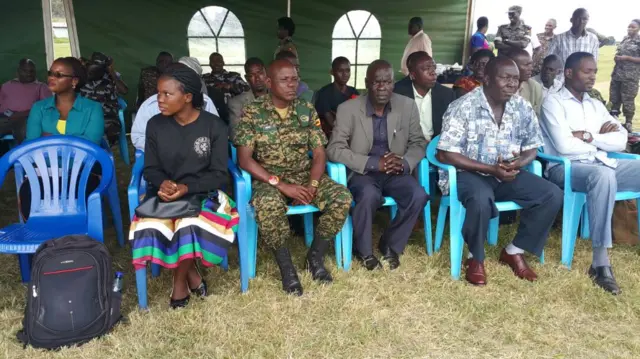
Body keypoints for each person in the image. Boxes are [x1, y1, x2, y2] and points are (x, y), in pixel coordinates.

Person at [436, 57, 563, 286]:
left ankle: (514, 250)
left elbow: (532, 146)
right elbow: (445, 154)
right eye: (505, 78)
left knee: (552, 194)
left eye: (515, 78)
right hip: (467, 174)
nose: (512, 84)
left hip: (505, 173)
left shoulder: (521, 106)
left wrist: (519, 163)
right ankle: (475, 257)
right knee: (480, 198)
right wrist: (490, 169)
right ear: (486, 78)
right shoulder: (463, 106)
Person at [234, 60, 352, 295]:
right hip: (270, 179)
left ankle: (315, 257)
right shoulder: (253, 112)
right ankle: (286, 267)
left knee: (342, 197)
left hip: (305, 176)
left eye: (294, 79)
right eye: (284, 80)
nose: (291, 85)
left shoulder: (306, 109)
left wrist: (312, 185)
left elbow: (319, 153)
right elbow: (245, 160)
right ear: (269, 83)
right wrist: (283, 186)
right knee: (267, 205)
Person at [129, 64, 234, 309]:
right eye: (158, 93)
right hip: (165, 195)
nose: (159, 100)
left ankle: (179, 282)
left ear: (187, 97)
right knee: (154, 223)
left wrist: (187, 187)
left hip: (204, 194)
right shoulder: (155, 125)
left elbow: (220, 175)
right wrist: (162, 183)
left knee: (188, 223)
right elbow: (151, 168)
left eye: (167, 94)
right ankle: (192, 275)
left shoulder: (214, 126)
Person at [540, 52, 640, 296]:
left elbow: (621, 139)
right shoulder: (553, 102)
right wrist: (601, 141)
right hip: (564, 169)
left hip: (600, 161)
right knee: (602, 175)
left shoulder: (595, 104)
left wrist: (588, 136)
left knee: (615, 170)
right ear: (569, 73)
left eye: (594, 71)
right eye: (587, 71)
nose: (593, 76)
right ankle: (600, 263)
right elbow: (563, 147)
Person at [327, 60, 428, 270]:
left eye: (387, 82)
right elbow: (334, 149)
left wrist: (405, 163)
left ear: (393, 83)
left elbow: (418, 143)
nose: (382, 87)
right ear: (366, 83)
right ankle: (363, 251)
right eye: (376, 82)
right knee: (368, 196)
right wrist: (374, 163)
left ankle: (390, 243)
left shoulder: (407, 106)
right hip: (363, 171)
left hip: (395, 171)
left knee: (418, 195)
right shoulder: (348, 109)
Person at [22, 57, 104, 220]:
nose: (51, 78)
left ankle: (73, 240)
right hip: (43, 174)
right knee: (31, 201)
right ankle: (44, 241)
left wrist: (50, 141)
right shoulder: (39, 108)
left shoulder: (92, 109)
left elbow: (89, 146)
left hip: (82, 173)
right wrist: (73, 141)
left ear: (74, 81)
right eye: (50, 73)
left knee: (80, 209)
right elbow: (32, 145)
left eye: (58, 75)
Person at [131, 60, 220, 152]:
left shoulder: (205, 102)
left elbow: (215, 134)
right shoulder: (150, 106)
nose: (160, 99)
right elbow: (138, 137)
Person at [394, 51, 456, 141]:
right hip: (407, 145)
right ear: (413, 75)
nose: (433, 73)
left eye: (434, 68)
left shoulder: (447, 95)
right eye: (427, 69)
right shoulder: (397, 93)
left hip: (436, 146)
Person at [0, 59, 52, 143]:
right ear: (18, 71)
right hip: (4, 118)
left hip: (26, 119)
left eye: (32, 71)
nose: (29, 74)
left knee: (26, 131)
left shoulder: (41, 87)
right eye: (25, 71)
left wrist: (22, 114)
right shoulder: (6, 86)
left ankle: (23, 154)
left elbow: (46, 108)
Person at [547, 8, 599, 82]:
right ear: (571, 20)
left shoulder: (592, 39)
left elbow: (594, 63)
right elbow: (549, 60)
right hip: (561, 82)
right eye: (578, 18)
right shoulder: (559, 39)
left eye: (584, 19)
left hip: (582, 83)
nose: (581, 22)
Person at [314, 57, 360, 139]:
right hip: (332, 135)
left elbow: (358, 116)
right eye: (340, 71)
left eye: (347, 70)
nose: (345, 74)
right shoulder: (324, 93)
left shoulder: (353, 91)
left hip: (353, 133)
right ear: (332, 72)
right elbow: (330, 121)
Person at [80, 55, 121, 144]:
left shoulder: (108, 82)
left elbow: (124, 90)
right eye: (88, 71)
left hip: (106, 121)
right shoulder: (81, 83)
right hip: (86, 120)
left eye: (93, 72)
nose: (89, 74)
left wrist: (112, 72)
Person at [609, 19, 640, 131]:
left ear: (638, 29)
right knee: (614, 99)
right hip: (617, 74)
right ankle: (614, 121)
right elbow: (619, 52)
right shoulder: (624, 39)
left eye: (633, 27)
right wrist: (617, 57)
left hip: (630, 77)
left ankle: (628, 123)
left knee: (628, 100)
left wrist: (627, 58)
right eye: (629, 27)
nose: (630, 29)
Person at [228, 57, 269, 138]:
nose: (257, 79)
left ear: (266, 73)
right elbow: (236, 136)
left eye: (260, 73)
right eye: (252, 75)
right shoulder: (236, 103)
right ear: (247, 78)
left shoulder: (278, 97)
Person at [508, 49, 543, 116]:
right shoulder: (500, 88)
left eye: (531, 64)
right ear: (512, 66)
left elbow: (537, 117)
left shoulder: (535, 88)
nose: (531, 68)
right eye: (526, 65)